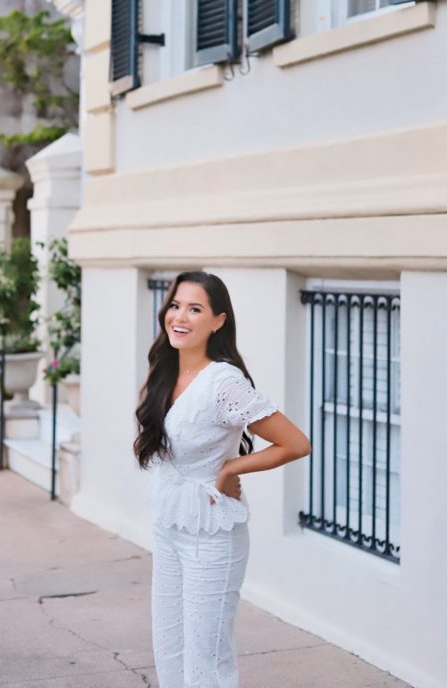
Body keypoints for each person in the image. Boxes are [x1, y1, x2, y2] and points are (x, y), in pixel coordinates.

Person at [134, 271, 311, 688]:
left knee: (206, 656)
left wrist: (232, 468)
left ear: (218, 321)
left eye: (195, 309)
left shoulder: (224, 383)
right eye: (176, 305)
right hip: (169, 525)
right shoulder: (166, 372)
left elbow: (296, 443)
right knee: (170, 646)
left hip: (211, 535)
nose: (180, 316)